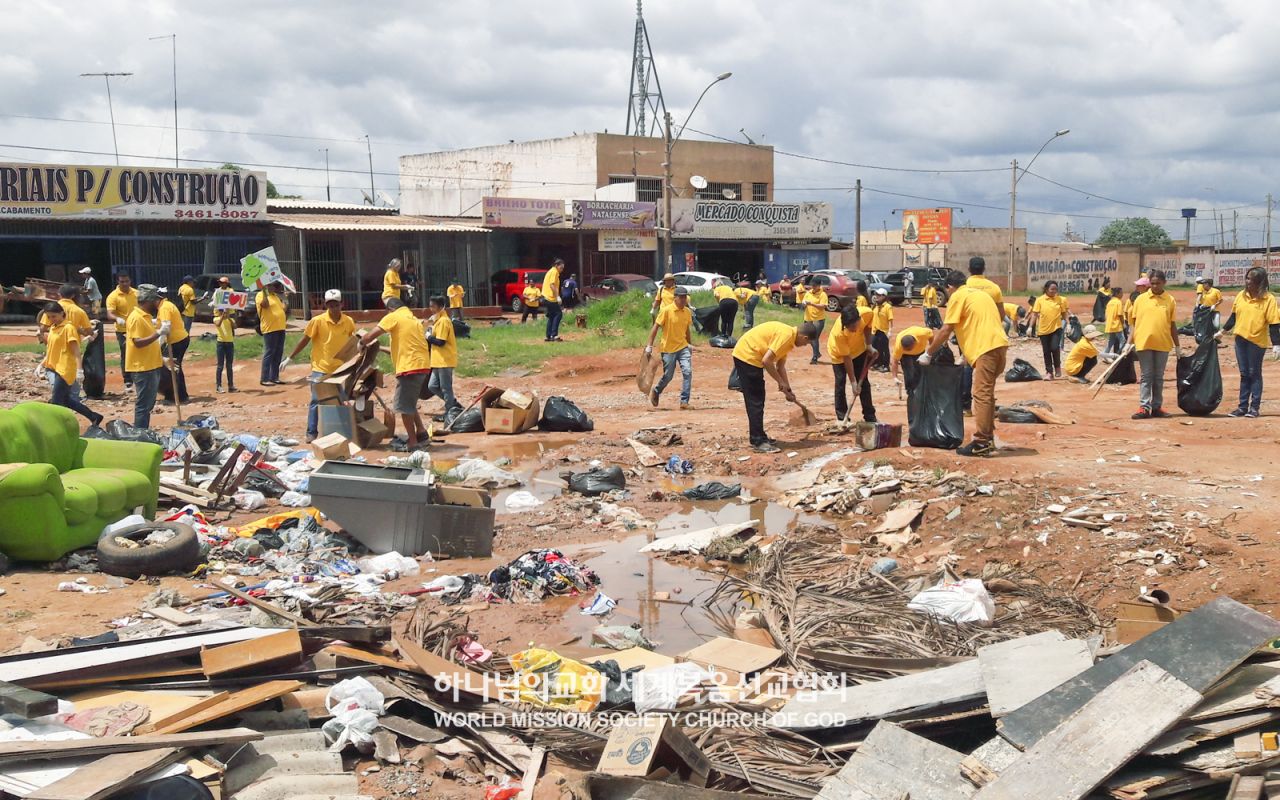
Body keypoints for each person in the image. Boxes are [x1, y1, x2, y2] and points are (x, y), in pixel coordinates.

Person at [921, 270, 1009, 457]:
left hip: (986, 349)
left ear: (950, 287)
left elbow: (946, 329)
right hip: (1000, 346)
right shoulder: (981, 295)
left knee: (981, 394)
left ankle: (982, 442)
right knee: (987, 394)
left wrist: (928, 353)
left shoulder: (958, 296)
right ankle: (988, 438)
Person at [731, 320, 815, 453]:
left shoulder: (789, 338)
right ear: (804, 337)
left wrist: (788, 390)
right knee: (756, 401)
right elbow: (767, 361)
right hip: (748, 356)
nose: (805, 345)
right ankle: (758, 441)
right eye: (807, 343)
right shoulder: (786, 337)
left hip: (751, 355)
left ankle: (760, 436)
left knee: (758, 399)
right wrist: (780, 382)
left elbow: (780, 367)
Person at [285, 289, 356, 442]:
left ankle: (342, 432)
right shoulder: (317, 321)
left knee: (342, 400)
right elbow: (305, 339)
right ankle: (311, 432)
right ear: (326, 305)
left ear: (342, 304)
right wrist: (290, 357)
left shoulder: (348, 321)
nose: (333, 308)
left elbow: (352, 342)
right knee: (316, 400)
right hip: (320, 368)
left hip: (340, 369)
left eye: (336, 305)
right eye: (330, 305)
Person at [361, 297, 431, 449]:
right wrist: (380, 348)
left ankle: (413, 442)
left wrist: (361, 343)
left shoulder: (393, 317)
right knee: (409, 402)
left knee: (404, 407)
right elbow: (401, 346)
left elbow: (369, 336)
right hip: (422, 365)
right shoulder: (412, 319)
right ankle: (421, 432)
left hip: (409, 368)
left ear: (390, 309)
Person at [1222, 267, 1280, 418]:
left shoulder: (1268, 299)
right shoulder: (1241, 296)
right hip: (1240, 340)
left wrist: (1276, 344)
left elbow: (1274, 324)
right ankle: (1242, 407)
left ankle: (1254, 408)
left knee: (1254, 373)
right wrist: (1222, 331)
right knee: (1244, 373)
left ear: (1260, 282)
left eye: (1251, 280)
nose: (1248, 282)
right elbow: (1234, 317)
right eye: (1247, 278)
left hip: (1256, 342)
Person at [39, 303, 102, 427]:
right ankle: (94, 416)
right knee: (65, 399)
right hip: (53, 366)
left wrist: (79, 370)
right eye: (49, 317)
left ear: (62, 313)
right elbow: (52, 348)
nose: (51, 319)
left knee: (56, 401)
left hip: (65, 369)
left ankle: (55, 426)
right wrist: (42, 363)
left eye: (54, 316)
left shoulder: (69, 328)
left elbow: (76, 351)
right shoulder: (53, 328)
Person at [1129, 269, 1179, 419]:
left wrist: (1177, 345)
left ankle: (1157, 407)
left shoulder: (1170, 300)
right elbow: (1134, 323)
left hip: (1163, 343)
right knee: (1146, 376)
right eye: (1152, 283)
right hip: (1144, 342)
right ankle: (1144, 407)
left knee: (1158, 377)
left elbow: (1172, 325)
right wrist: (1128, 342)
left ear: (1164, 282)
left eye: (1158, 283)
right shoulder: (1140, 299)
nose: (1155, 286)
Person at [645, 285, 694, 409]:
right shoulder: (666, 311)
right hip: (668, 349)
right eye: (681, 297)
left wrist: (689, 344)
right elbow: (655, 327)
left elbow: (687, 329)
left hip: (683, 347)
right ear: (675, 298)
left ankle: (684, 402)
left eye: (685, 298)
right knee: (668, 376)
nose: (683, 300)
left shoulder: (687, 312)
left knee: (687, 372)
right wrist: (649, 346)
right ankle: (656, 391)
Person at [827, 301, 877, 423]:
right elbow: (847, 358)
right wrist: (853, 382)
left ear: (859, 319)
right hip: (839, 355)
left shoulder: (867, 313)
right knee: (840, 383)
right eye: (850, 328)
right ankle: (842, 417)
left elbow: (868, 327)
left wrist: (869, 345)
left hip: (859, 350)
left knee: (864, 383)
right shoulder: (839, 333)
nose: (853, 330)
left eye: (855, 326)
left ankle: (870, 417)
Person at [127, 286, 167, 429]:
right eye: (155, 300)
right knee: (144, 405)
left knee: (148, 404)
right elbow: (137, 342)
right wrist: (159, 333)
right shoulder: (136, 318)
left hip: (151, 365)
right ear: (148, 300)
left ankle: (143, 431)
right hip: (142, 367)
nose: (157, 303)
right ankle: (140, 433)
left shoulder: (146, 317)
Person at [423, 295, 464, 422]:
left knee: (446, 388)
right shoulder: (437, 320)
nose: (431, 309)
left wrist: (428, 336)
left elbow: (441, 342)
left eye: (433, 306)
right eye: (430, 306)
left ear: (441, 307)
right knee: (432, 386)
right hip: (437, 360)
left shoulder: (444, 321)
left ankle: (450, 412)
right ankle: (453, 404)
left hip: (445, 360)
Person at [1027, 280, 1070, 379]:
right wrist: (1030, 327)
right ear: (1046, 289)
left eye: (1055, 289)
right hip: (1043, 330)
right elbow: (1035, 314)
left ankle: (1057, 367)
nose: (1054, 291)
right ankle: (1049, 372)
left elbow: (1064, 313)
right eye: (1052, 289)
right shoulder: (1040, 300)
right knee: (1046, 351)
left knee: (1054, 348)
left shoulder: (1060, 300)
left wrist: (1068, 324)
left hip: (1056, 328)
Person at [156, 289, 190, 403]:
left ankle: (175, 396)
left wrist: (159, 345)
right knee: (175, 367)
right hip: (180, 339)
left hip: (177, 341)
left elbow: (165, 327)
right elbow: (160, 322)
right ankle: (181, 395)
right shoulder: (167, 305)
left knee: (171, 368)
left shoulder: (164, 308)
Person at [106, 272, 137, 391]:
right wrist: (117, 319)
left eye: (127, 281)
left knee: (139, 352)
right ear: (118, 282)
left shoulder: (136, 293)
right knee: (126, 353)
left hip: (137, 328)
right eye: (122, 281)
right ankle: (128, 380)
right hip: (122, 330)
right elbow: (110, 314)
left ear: (130, 281)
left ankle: (138, 376)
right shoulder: (113, 296)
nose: (125, 284)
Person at [255, 281, 289, 386]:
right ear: (266, 286)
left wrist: (285, 299)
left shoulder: (275, 296)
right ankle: (264, 378)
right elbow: (264, 305)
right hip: (270, 328)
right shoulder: (260, 295)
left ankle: (274, 377)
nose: (274, 287)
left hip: (280, 327)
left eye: (274, 286)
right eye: (271, 285)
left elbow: (283, 309)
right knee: (269, 352)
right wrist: (264, 292)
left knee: (278, 353)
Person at [891, 324, 934, 393]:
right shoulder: (899, 347)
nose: (908, 350)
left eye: (909, 349)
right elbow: (895, 361)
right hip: (905, 355)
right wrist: (895, 377)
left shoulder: (922, 333)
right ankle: (910, 390)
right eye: (906, 349)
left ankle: (920, 389)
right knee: (909, 372)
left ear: (915, 342)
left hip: (920, 351)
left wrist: (932, 348)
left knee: (920, 370)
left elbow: (931, 334)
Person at [966, 256, 1008, 323]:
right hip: (990, 327)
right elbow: (1002, 315)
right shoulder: (995, 287)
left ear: (969, 269)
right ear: (984, 269)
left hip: (969, 327)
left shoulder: (963, 286)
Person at [798, 279, 827, 363]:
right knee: (809, 337)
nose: (813, 287)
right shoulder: (808, 293)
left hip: (818, 319)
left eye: (815, 285)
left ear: (819, 285)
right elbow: (803, 305)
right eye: (812, 285)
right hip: (808, 318)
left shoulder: (823, 294)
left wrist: (811, 304)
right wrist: (804, 304)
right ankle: (817, 353)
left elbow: (823, 306)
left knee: (814, 337)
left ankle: (815, 357)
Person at [213, 306, 237, 394]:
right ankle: (218, 386)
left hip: (230, 343)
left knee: (229, 365)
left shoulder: (231, 320)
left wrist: (229, 318)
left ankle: (231, 386)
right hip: (221, 343)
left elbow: (235, 327)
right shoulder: (216, 319)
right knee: (220, 365)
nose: (223, 312)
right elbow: (218, 324)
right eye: (221, 311)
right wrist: (223, 317)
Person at [869, 289, 893, 371]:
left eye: (879, 295)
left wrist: (890, 330)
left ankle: (886, 365)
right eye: (876, 294)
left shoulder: (888, 307)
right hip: (875, 330)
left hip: (883, 331)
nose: (877, 296)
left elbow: (890, 319)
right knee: (875, 347)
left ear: (884, 296)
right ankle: (877, 363)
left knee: (884, 349)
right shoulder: (875, 306)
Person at [542, 258, 564, 342]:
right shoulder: (554, 272)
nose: (562, 270)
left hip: (547, 297)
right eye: (561, 267)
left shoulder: (551, 271)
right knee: (558, 314)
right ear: (556, 266)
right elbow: (552, 285)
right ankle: (554, 335)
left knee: (552, 316)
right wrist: (557, 296)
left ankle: (548, 335)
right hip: (550, 297)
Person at [1104, 286, 1126, 355]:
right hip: (1117, 325)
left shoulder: (1110, 302)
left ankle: (1105, 354)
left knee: (1111, 341)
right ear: (1117, 294)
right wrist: (1123, 324)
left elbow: (1106, 314)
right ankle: (1120, 355)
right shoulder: (1118, 302)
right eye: (1121, 293)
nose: (1122, 294)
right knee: (1122, 340)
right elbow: (1120, 314)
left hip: (1110, 324)